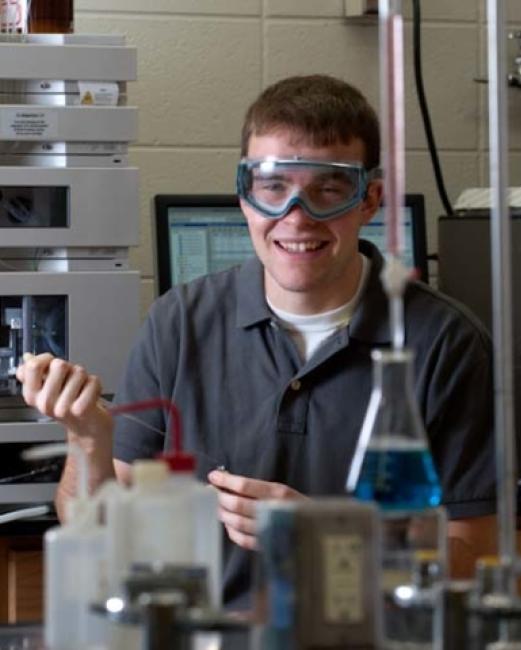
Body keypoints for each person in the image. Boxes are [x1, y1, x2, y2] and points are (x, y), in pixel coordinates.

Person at [17, 74, 496, 607]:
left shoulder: (444, 342)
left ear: (370, 200)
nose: (295, 216)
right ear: (245, 196)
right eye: (273, 186)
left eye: (329, 189)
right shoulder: (179, 322)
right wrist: (88, 441)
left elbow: (470, 559)